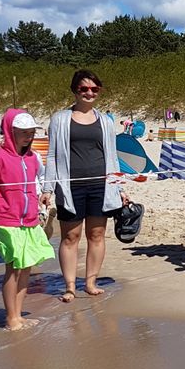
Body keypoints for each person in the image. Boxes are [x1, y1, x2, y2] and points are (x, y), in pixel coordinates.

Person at [45, 70, 128, 302]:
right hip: (69, 187)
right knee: (70, 237)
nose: (89, 93)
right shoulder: (59, 119)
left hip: (100, 186)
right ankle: (70, 286)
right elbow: (52, 156)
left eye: (94, 89)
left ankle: (91, 282)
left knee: (97, 234)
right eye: (84, 89)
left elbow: (112, 157)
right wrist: (47, 189)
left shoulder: (106, 121)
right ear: (75, 90)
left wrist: (119, 187)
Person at [0, 110, 56, 330]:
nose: (28, 137)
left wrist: (42, 196)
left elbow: (37, 182)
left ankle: (19, 314)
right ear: (10, 132)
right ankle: (11, 317)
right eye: (23, 133)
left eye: (31, 133)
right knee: (13, 267)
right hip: (6, 220)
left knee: (27, 268)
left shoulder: (32, 158)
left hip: (30, 220)